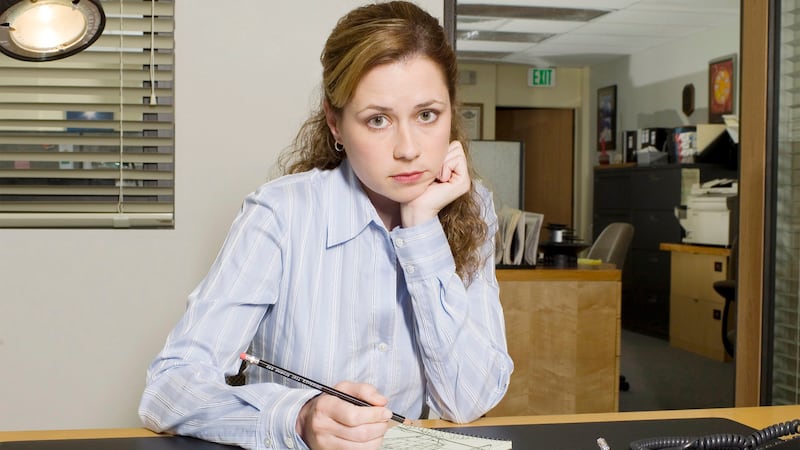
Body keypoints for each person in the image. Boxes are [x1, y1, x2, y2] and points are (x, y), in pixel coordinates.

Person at [138, 2, 513, 449]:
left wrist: (420, 230)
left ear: (452, 112)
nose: (409, 149)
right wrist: (298, 417)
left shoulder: (471, 207)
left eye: (427, 115)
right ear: (335, 123)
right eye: (378, 120)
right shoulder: (281, 213)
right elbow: (167, 390)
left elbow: (467, 401)